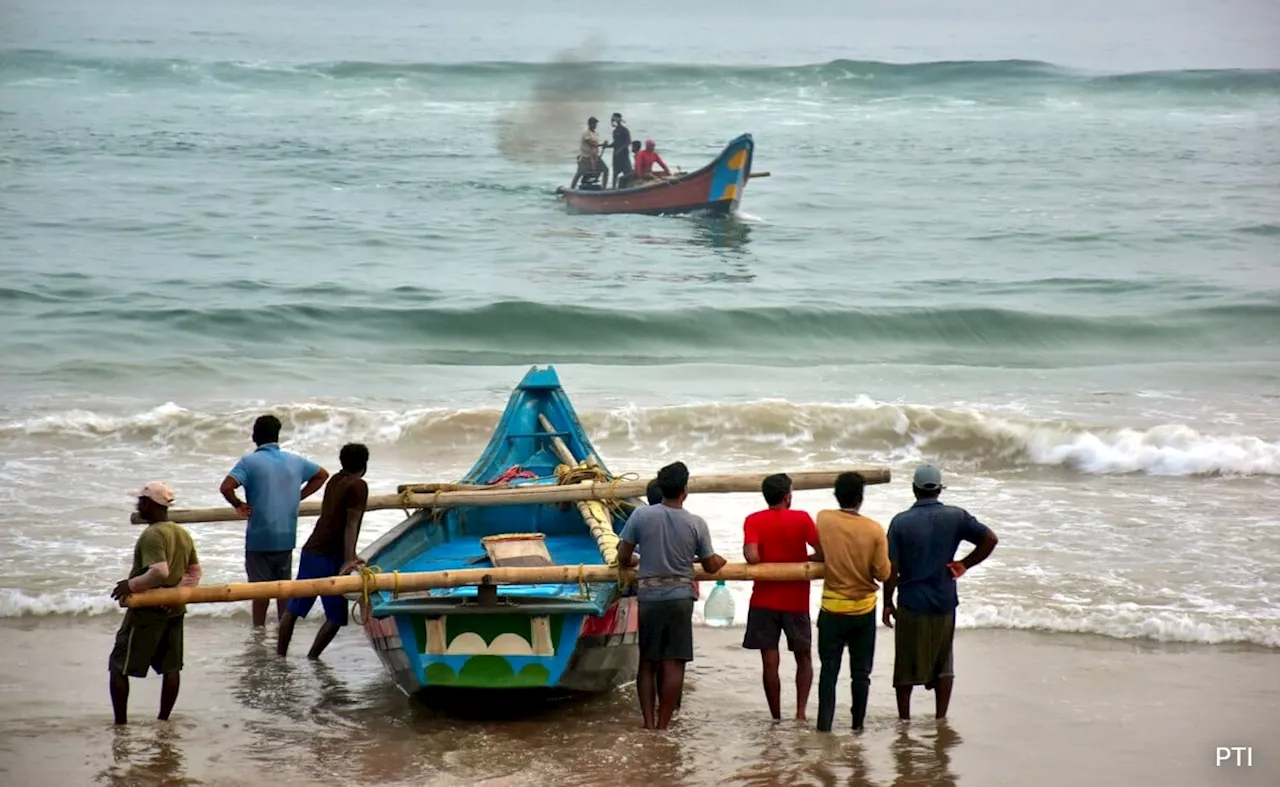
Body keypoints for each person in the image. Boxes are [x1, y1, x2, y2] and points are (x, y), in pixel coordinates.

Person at [616, 461, 727, 730]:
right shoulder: (695, 523)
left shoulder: (641, 516)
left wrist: (634, 562)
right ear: (685, 490)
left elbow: (623, 555)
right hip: (680, 598)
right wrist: (721, 561)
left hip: (650, 596)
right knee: (674, 662)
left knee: (648, 662)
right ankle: (664, 726)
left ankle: (648, 722)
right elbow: (710, 564)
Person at [883, 465, 999, 720]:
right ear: (938, 489)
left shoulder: (900, 522)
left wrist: (887, 601)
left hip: (911, 602)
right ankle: (940, 718)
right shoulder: (956, 516)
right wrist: (964, 564)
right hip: (944, 600)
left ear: (914, 489)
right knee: (943, 663)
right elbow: (990, 539)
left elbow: (891, 566)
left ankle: (904, 720)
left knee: (905, 665)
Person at [219, 415, 328, 627]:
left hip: (260, 537)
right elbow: (322, 475)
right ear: (277, 436)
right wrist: (298, 496)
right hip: (286, 536)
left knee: (259, 592)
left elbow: (226, 487)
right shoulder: (295, 461)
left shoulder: (249, 462)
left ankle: (258, 633)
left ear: (254, 437)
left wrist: (238, 505)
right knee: (283, 590)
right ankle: (283, 631)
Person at [108, 482, 201, 725]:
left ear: (150, 504)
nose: (138, 505)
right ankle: (163, 722)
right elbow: (194, 573)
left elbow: (159, 571)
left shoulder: (152, 534)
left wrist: (131, 585)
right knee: (171, 667)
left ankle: (120, 724)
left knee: (119, 666)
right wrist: (174, 597)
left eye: (141, 501)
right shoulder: (182, 533)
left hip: (147, 611)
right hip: (175, 609)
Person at [277, 443, 370, 659]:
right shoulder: (359, 486)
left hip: (312, 551)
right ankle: (312, 657)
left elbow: (334, 519)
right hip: (331, 556)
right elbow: (350, 523)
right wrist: (349, 560)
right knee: (336, 616)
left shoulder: (335, 480)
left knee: (294, 608)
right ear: (364, 465)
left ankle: (280, 657)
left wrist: (351, 555)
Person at [741, 473, 821, 722]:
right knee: (804, 656)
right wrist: (803, 561)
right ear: (788, 496)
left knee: (769, 660)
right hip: (796, 600)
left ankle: (776, 716)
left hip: (764, 599)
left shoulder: (753, 519)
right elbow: (822, 552)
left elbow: (752, 557)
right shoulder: (802, 518)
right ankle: (800, 713)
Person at [814, 472, 890, 732]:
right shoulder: (874, 529)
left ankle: (824, 726)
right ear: (861, 498)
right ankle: (858, 726)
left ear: (836, 495)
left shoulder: (824, 518)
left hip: (832, 608)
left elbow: (823, 550)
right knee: (860, 674)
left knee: (828, 673)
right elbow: (883, 573)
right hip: (863, 611)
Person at [570, 116, 608, 189]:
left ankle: (604, 188)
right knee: (579, 173)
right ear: (589, 124)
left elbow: (597, 144)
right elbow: (591, 144)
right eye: (593, 123)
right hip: (585, 157)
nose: (595, 125)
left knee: (605, 170)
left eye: (596, 123)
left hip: (595, 157)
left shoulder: (596, 133)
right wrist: (601, 144)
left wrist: (604, 145)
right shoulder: (585, 133)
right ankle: (572, 189)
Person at [609, 112, 633, 189]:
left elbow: (628, 142)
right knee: (615, 173)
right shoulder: (615, 131)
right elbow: (615, 143)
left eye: (614, 118)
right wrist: (607, 146)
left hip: (624, 156)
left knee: (628, 173)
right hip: (616, 156)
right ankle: (613, 189)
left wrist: (620, 150)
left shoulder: (625, 130)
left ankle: (629, 188)